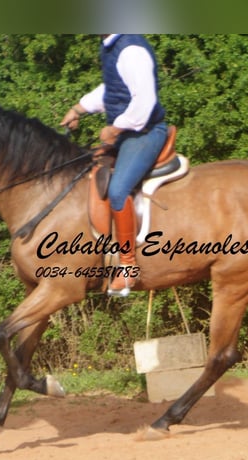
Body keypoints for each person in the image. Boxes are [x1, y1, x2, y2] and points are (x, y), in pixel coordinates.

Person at [61, 34, 168, 296]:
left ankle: (128, 267)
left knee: (118, 189)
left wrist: (115, 128)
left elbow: (144, 102)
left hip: (144, 133)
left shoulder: (131, 49)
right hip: (127, 133)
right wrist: (78, 109)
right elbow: (112, 91)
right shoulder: (111, 46)